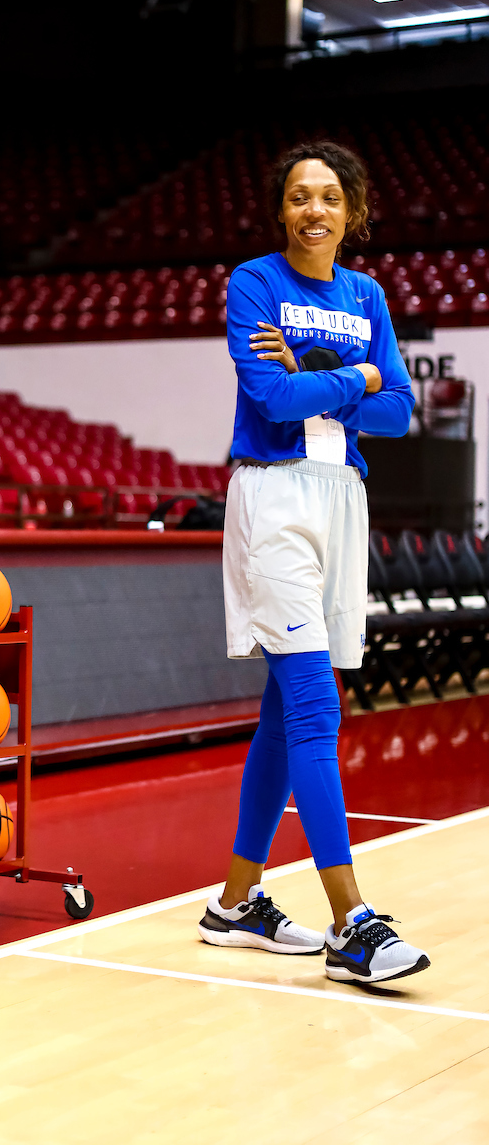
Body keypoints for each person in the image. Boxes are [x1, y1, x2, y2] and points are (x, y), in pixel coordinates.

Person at [198, 141, 430, 985]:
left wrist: (329, 370)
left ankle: (233, 905)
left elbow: (401, 413)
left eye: (330, 197)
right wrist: (359, 375)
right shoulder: (254, 282)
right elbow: (273, 398)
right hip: (275, 498)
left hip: (342, 498)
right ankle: (352, 924)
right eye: (300, 197)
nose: (315, 211)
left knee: (279, 711)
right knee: (312, 701)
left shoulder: (366, 294)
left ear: (352, 210)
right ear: (283, 211)